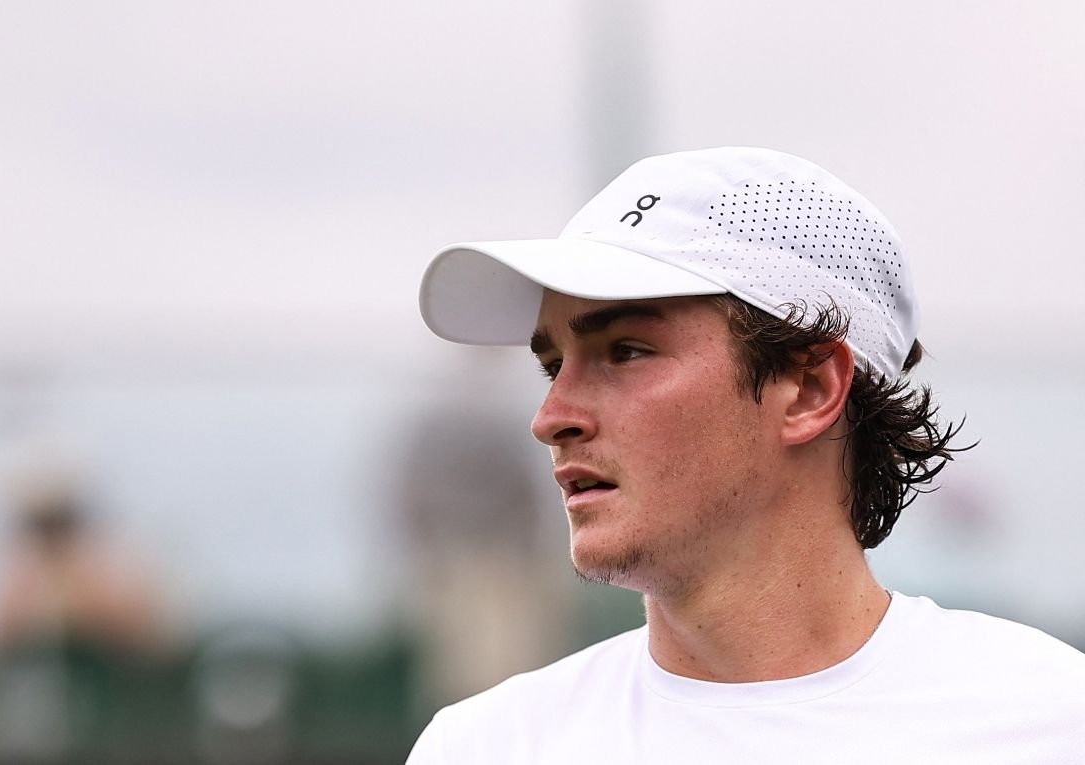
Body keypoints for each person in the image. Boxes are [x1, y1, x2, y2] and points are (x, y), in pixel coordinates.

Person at [406, 147, 1085, 763]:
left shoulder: (1050, 722)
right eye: (554, 365)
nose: (551, 418)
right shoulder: (486, 746)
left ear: (810, 388)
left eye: (627, 351)